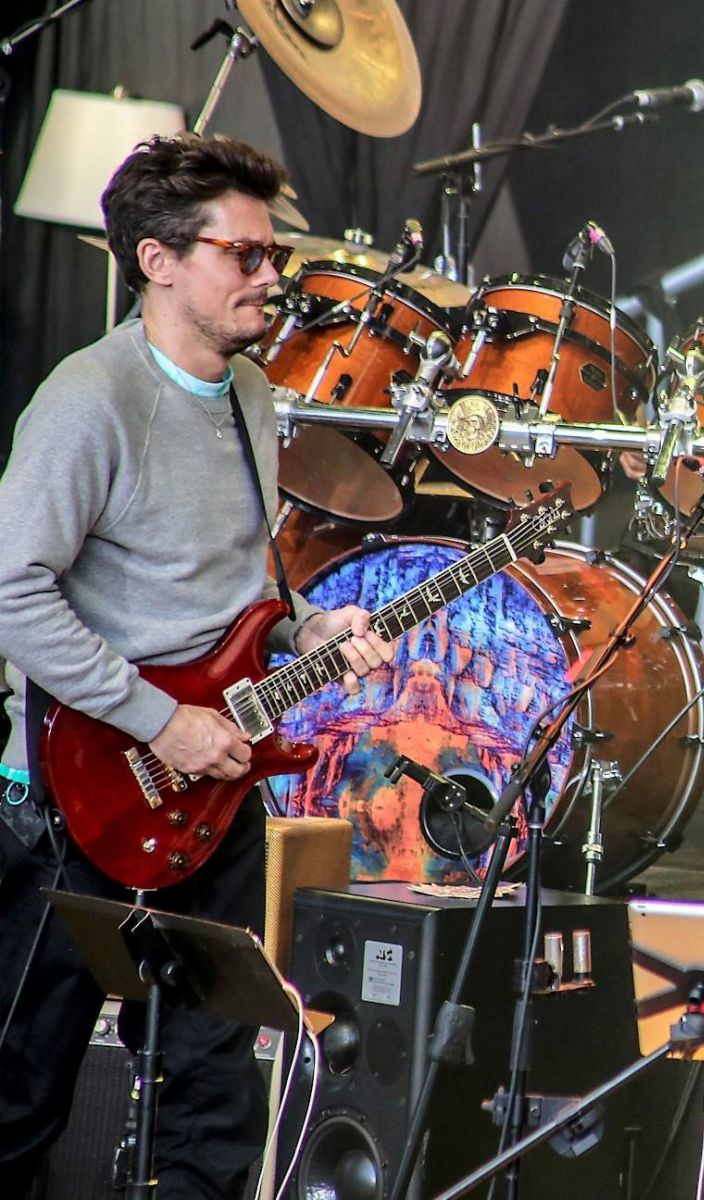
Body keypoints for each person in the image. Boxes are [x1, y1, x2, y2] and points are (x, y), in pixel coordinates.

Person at [0, 133, 393, 1199]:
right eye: (246, 256)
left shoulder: (252, 397)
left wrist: (304, 631)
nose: (272, 278)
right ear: (158, 261)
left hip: (212, 799)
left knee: (213, 1097)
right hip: (76, 796)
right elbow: (12, 591)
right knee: (17, 1093)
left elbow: (231, 592)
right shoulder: (90, 399)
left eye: (273, 255)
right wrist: (156, 720)